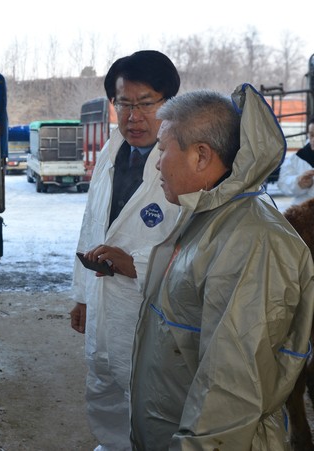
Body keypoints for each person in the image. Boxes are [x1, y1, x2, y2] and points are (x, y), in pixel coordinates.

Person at [129, 85, 314, 450]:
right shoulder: (208, 216)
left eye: (163, 150)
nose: (156, 162)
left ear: (200, 156)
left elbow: (231, 390)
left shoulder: (251, 242)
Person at [70, 50, 181, 450]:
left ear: (170, 102)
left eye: (145, 103)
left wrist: (136, 265)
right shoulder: (111, 149)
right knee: (104, 383)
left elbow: (200, 249)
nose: (133, 116)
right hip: (102, 297)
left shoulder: (189, 159)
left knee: (153, 394)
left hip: (153, 306)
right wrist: (82, 294)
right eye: (123, 104)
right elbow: (92, 222)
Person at [277, 116, 314, 206]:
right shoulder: (297, 158)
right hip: (305, 213)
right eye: (311, 134)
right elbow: (283, 183)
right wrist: (298, 183)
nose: (313, 139)